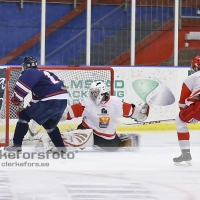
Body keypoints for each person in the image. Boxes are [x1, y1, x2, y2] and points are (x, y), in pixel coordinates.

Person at [39, 80, 150, 152]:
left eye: (95, 92)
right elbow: (69, 113)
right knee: (80, 140)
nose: (93, 95)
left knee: (113, 147)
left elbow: (133, 111)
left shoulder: (116, 103)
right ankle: (55, 139)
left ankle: (125, 137)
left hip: (106, 138)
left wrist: (141, 114)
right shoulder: (87, 103)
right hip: (87, 130)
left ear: (102, 91)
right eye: (92, 93)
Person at [4, 56, 69, 153]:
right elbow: (36, 99)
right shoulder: (42, 75)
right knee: (49, 124)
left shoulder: (30, 72)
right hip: (62, 101)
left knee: (23, 116)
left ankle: (16, 145)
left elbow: (22, 87)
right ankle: (61, 148)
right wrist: (27, 108)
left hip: (51, 100)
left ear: (25, 66)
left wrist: (16, 99)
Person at [173, 55, 200, 166]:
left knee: (180, 122)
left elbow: (182, 103)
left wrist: (186, 115)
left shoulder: (191, 78)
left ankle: (185, 154)